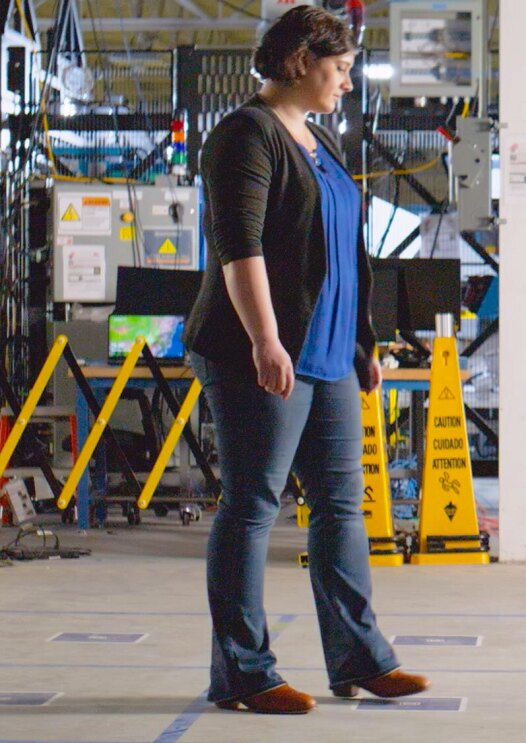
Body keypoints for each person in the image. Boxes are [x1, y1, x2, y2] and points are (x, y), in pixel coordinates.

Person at [183, 6, 428, 715]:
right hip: (260, 353)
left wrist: (363, 346)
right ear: (299, 61)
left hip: (327, 356)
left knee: (341, 507)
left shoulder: (317, 137)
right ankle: (243, 671)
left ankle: (359, 657)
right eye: (341, 68)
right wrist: (264, 338)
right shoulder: (244, 135)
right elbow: (241, 245)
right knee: (254, 504)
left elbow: (344, 251)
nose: (348, 82)